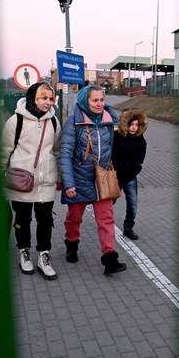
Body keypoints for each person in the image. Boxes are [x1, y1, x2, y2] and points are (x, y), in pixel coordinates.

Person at [60, 84, 127, 275]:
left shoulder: (108, 121)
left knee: (106, 219)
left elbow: (114, 149)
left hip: (102, 179)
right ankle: (71, 244)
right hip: (79, 179)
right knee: (74, 218)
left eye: (102, 100)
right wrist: (69, 183)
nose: (99, 104)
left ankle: (109, 258)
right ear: (85, 101)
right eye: (94, 100)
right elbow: (65, 155)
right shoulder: (74, 122)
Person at [0, 82, 61, 281]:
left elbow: (58, 151)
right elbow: (3, 152)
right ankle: (23, 252)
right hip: (21, 180)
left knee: (45, 220)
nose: (48, 102)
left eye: (51, 98)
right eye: (44, 98)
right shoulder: (15, 121)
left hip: (46, 180)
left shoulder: (54, 122)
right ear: (33, 98)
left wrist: (59, 176)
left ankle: (44, 255)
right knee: (22, 219)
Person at [111, 108, 148, 240]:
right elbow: (111, 152)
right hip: (116, 175)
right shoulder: (116, 135)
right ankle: (106, 225)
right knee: (110, 202)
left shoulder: (139, 137)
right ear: (125, 124)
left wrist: (137, 166)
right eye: (131, 124)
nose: (134, 128)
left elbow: (142, 152)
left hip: (131, 176)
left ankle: (128, 228)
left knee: (132, 204)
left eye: (136, 125)